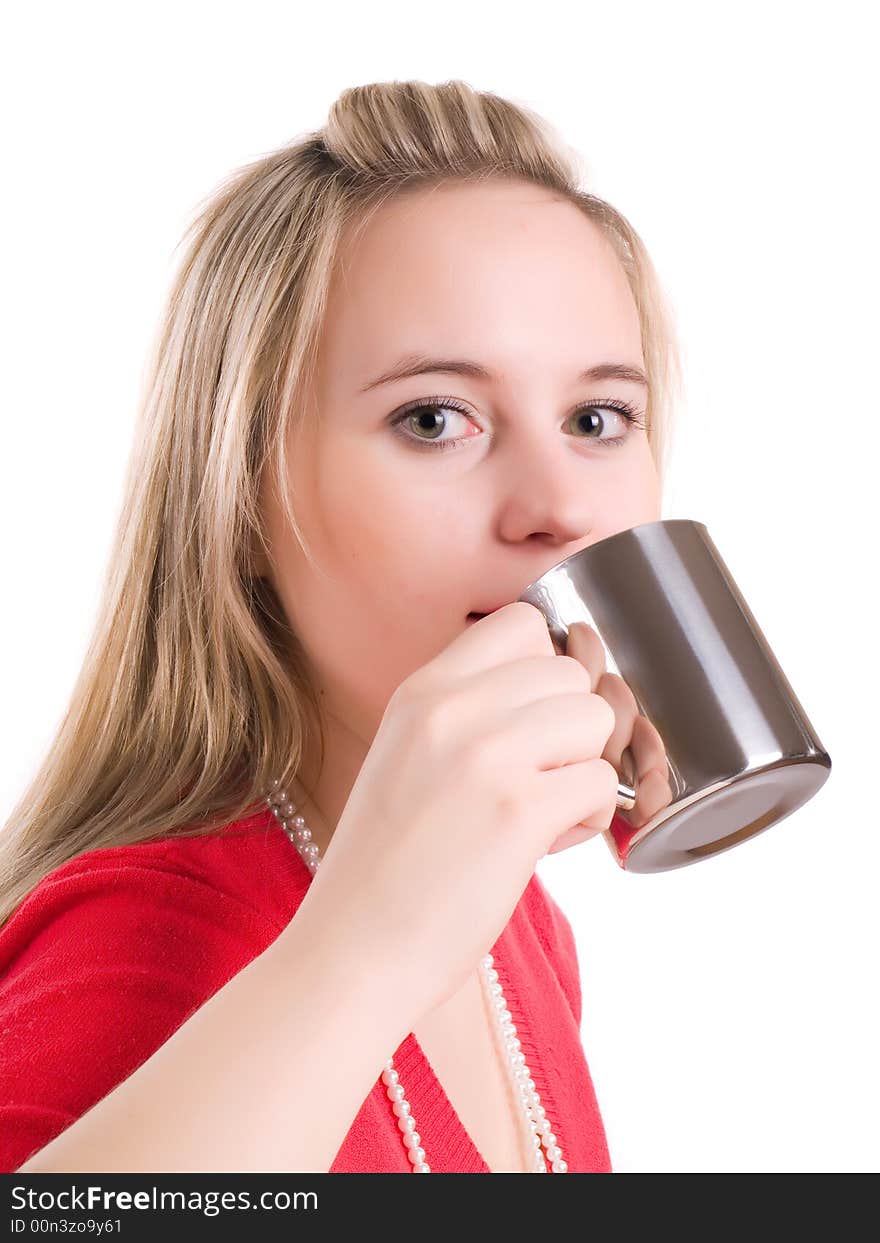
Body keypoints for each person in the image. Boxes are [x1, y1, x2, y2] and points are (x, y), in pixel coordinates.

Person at [0, 79, 681, 1174]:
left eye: (596, 419)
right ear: (242, 494)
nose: (557, 506)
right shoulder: (141, 948)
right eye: (433, 419)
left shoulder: (512, 922)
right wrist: (365, 950)